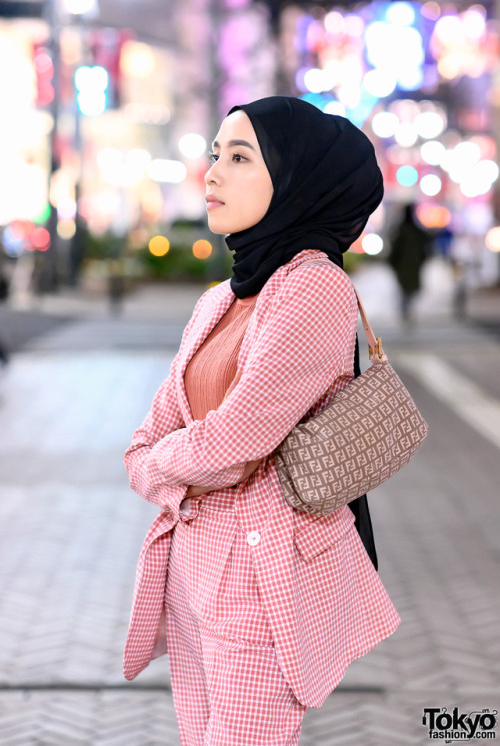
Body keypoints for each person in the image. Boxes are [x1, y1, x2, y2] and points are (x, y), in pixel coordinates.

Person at [123, 96, 401, 746]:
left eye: (240, 157)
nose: (212, 174)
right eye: (215, 154)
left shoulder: (312, 287)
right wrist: (164, 459)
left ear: (295, 179)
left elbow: (235, 442)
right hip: (192, 576)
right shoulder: (220, 299)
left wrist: (163, 465)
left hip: (259, 582)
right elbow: (146, 435)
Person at [387, 202, 433, 325]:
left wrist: (393, 263)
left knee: (405, 289)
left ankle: (405, 311)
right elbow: (426, 245)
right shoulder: (415, 229)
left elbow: (395, 249)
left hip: (404, 265)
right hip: (413, 265)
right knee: (410, 290)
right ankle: (407, 311)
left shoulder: (401, 229)